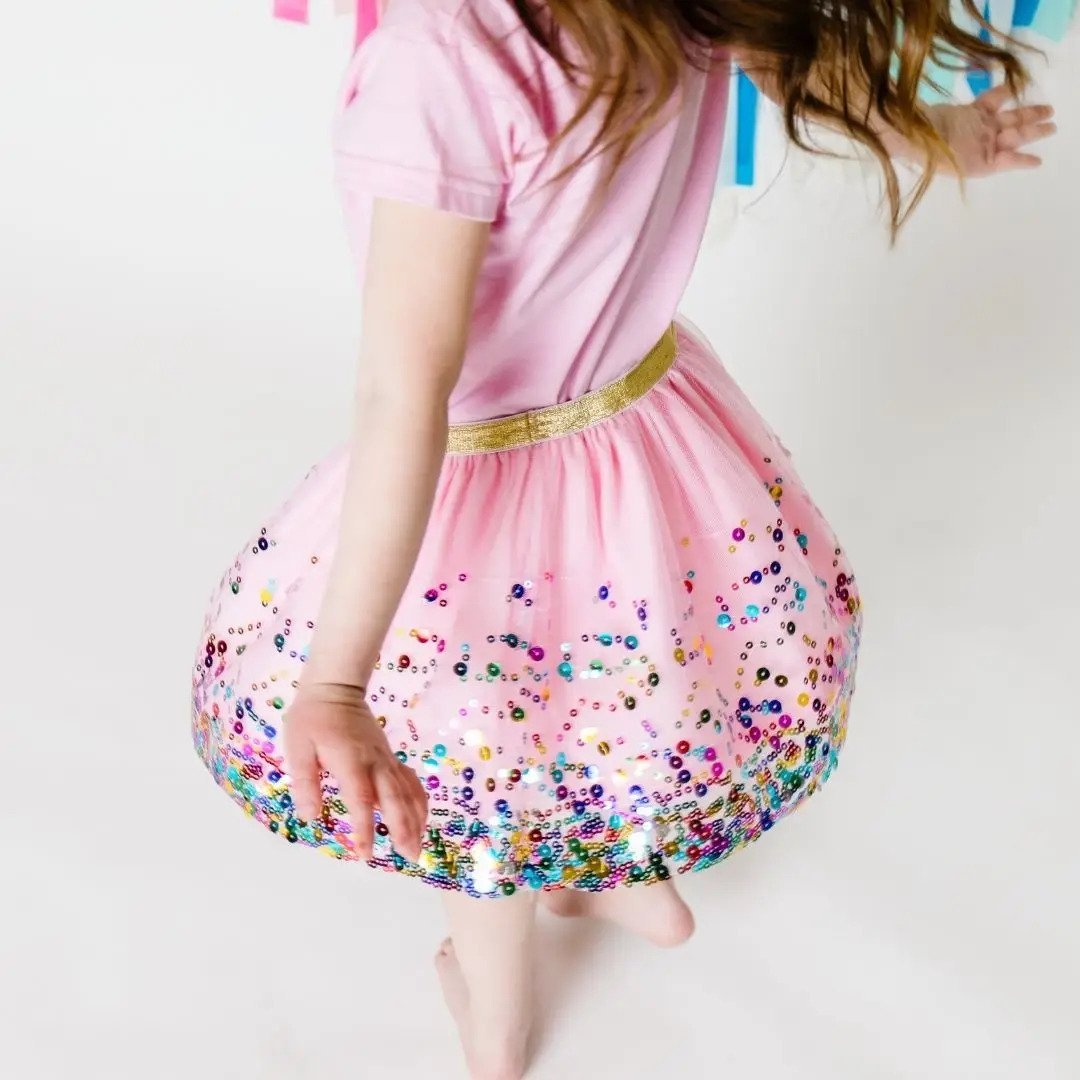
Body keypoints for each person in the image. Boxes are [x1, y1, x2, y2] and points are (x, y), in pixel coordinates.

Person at [191, 1, 1060, 1076]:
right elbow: (787, 60)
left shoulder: (442, 59)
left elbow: (405, 393)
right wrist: (930, 132)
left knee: (475, 759)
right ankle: (616, 875)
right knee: (618, 676)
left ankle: (497, 1013)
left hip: (486, 475)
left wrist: (335, 681)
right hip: (642, 429)